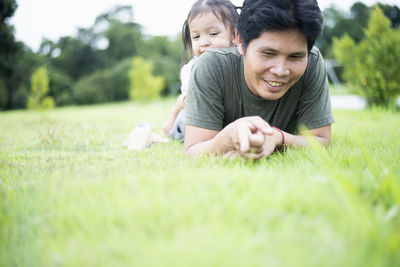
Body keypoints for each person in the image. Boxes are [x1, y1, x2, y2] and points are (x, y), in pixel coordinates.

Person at [184, 0, 335, 159]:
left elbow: (321, 140)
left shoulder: (312, 61)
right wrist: (228, 137)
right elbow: (193, 150)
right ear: (240, 41)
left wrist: (279, 138)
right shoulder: (211, 65)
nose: (280, 71)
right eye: (268, 54)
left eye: (295, 57)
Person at [162, 0, 239, 140]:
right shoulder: (192, 69)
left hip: (224, 118)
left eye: (213, 34)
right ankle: (166, 124)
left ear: (234, 35)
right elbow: (193, 107)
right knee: (176, 128)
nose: (204, 42)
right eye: (196, 37)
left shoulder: (242, 62)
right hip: (194, 120)